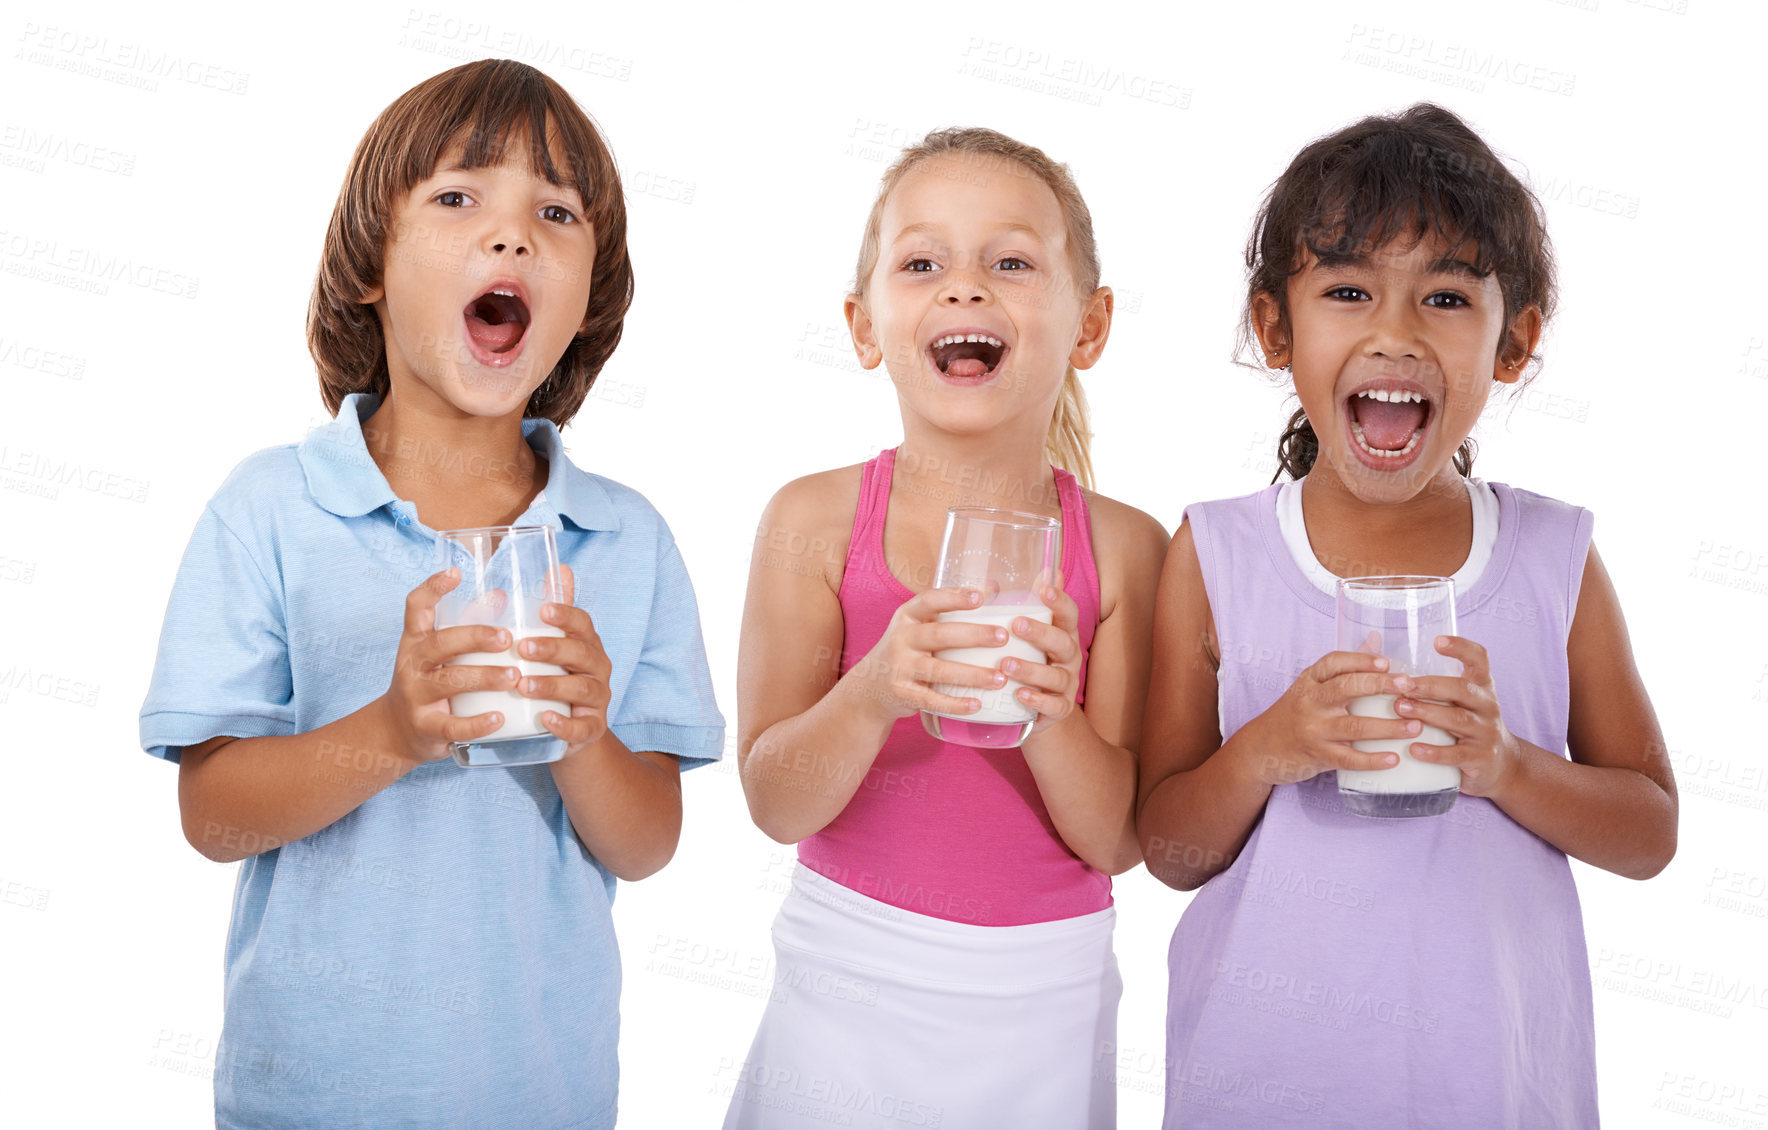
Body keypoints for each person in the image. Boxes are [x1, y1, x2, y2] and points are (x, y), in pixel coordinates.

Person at [138, 59, 723, 1129]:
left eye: (555, 213)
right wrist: (393, 729)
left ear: (588, 295)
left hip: (544, 1093)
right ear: (371, 264)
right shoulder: (271, 508)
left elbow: (645, 844)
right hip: (309, 1096)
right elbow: (214, 816)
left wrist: (588, 735)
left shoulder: (626, 537)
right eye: (458, 198)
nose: (513, 238)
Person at [1136, 103, 1676, 1128]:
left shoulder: (1551, 556)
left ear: (1511, 341)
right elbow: (1167, 849)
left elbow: (1648, 832)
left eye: (1443, 296)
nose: (1394, 331)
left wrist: (1507, 765)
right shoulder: (1213, 552)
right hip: (1261, 1085)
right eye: (1347, 291)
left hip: (1495, 1091)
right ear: (1273, 330)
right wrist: (1265, 749)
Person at [724, 127, 1168, 1129]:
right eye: (922, 262)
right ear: (864, 323)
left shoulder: (1131, 549)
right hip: (846, 981)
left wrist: (1052, 712)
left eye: (1010, 262)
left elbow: (1118, 835)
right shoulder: (814, 520)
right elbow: (773, 801)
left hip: (1041, 998)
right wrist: (876, 687)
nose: (964, 288)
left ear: (1089, 325)